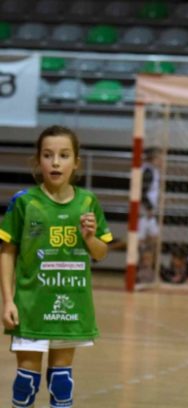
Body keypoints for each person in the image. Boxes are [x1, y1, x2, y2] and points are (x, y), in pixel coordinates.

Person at [0, 125, 111, 408]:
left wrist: (89, 237)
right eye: (48, 155)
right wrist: (7, 301)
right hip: (30, 307)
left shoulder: (88, 202)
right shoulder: (24, 202)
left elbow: (101, 253)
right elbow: (7, 252)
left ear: (76, 162)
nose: (56, 162)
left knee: (62, 385)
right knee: (26, 384)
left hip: (71, 308)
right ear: (38, 161)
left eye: (64, 155)